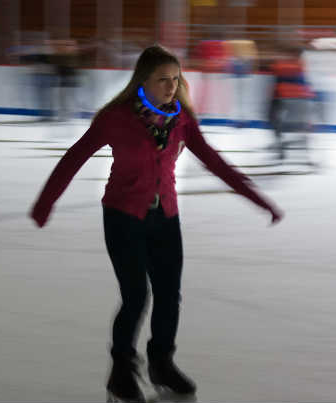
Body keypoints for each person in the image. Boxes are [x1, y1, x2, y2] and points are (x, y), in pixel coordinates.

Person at [29, 45, 283, 402]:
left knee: (168, 296)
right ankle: (121, 370)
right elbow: (73, 158)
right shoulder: (115, 118)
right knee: (135, 296)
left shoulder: (181, 121)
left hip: (165, 217)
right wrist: (45, 203)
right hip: (123, 217)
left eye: (175, 79)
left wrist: (258, 199)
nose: (170, 87)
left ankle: (161, 363)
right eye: (162, 80)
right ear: (142, 82)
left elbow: (215, 162)